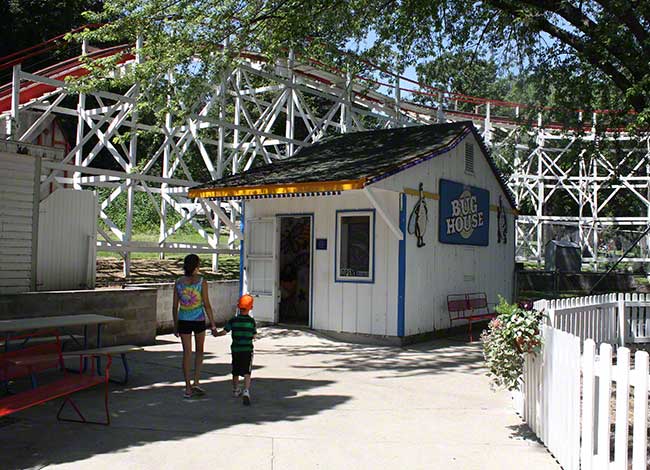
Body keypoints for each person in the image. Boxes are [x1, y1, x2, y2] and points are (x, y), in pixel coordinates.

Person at [173, 254, 218, 399]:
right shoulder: (201, 282)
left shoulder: (178, 282)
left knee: (187, 353)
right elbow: (206, 304)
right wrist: (213, 324)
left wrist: (175, 324)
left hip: (183, 320)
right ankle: (196, 381)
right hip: (198, 320)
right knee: (200, 350)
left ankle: (187, 387)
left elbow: (174, 306)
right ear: (196, 265)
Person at [215, 294, 257, 406]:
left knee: (235, 370)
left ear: (238, 307)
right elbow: (254, 335)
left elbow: (224, 331)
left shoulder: (233, 320)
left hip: (236, 349)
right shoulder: (251, 322)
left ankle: (236, 389)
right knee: (247, 371)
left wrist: (216, 334)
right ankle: (246, 390)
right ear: (250, 308)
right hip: (247, 350)